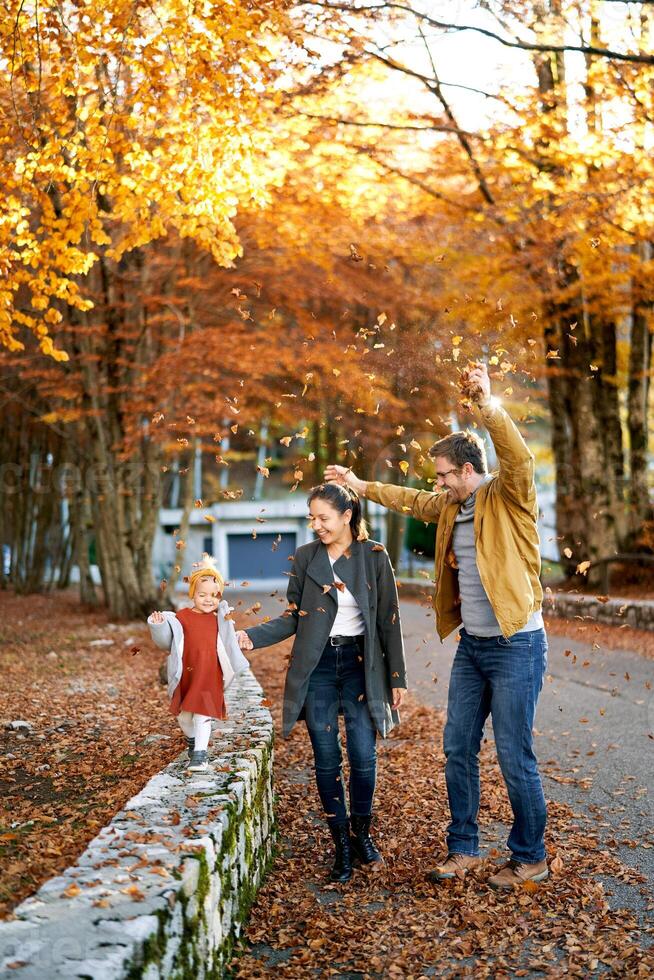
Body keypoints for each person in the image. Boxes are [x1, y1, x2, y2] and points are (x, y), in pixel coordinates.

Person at [325, 362, 549, 890]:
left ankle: (531, 855)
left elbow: (517, 453)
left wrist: (487, 405)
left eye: (446, 474)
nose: (440, 483)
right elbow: (409, 499)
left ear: (469, 469)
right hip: (474, 647)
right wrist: (360, 485)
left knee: (514, 753)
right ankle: (464, 849)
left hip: (518, 643)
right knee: (457, 747)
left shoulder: (508, 494)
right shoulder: (451, 507)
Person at [236, 483, 407, 883]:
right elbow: (293, 616)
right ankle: (341, 847)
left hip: (361, 667)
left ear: (347, 515)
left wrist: (396, 676)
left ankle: (361, 835)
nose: (316, 525)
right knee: (327, 760)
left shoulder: (374, 556)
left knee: (364, 758)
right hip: (318, 671)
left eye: (323, 518)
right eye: (312, 517)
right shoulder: (305, 557)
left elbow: (389, 619)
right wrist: (251, 636)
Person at [148, 554, 249, 772]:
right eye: (202, 594)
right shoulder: (182, 617)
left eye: (214, 595)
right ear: (193, 593)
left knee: (203, 713)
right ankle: (193, 742)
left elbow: (230, 640)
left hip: (210, 675)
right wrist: (158, 625)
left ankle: (200, 756)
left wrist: (240, 638)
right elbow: (165, 641)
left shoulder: (220, 619)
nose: (208, 599)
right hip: (188, 674)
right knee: (185, 717)